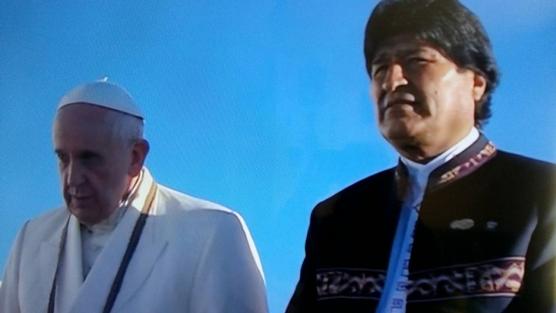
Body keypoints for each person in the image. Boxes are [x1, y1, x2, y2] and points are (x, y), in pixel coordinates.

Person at [286, 0, 556, 312]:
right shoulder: (336, 218)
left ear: (476, 83)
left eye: (416, 60)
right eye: (380, 69)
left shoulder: (542, 196)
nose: (392, 81)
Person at [0, 80, 268, 313]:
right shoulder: (31, 238)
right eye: (62, 158)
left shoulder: (213, 234)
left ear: (135, 157)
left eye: (89, 158)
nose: (72, 178)